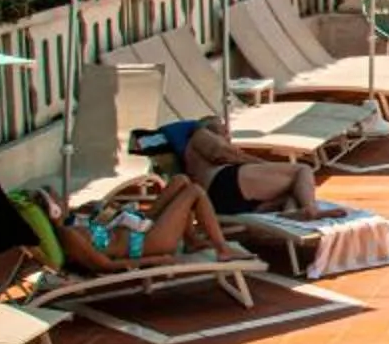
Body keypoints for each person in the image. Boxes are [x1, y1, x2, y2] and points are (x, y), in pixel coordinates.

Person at [55, 176, 243, 274]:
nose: (63, 199)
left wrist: (106, 210)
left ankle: (191, 239)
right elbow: (104, 265)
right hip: (149, 242)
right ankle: (223, 249)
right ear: (54, 212)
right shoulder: (68, 234)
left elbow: (103, 228)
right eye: (57, 200)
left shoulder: (73, 222)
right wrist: (157, 260)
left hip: (138, 227)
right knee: (195, 191)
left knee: (181, 180)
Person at [169, 113, 337, 219]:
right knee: (302, 170)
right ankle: (311, 209)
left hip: (222, 200)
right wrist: (265, 164)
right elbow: (223, 154)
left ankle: (291, 214)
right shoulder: (201, 134)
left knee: (293, 191)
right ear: (212, 127)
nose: (227, 131)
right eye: (223, 127)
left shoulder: (197, 149)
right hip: (221, 182)